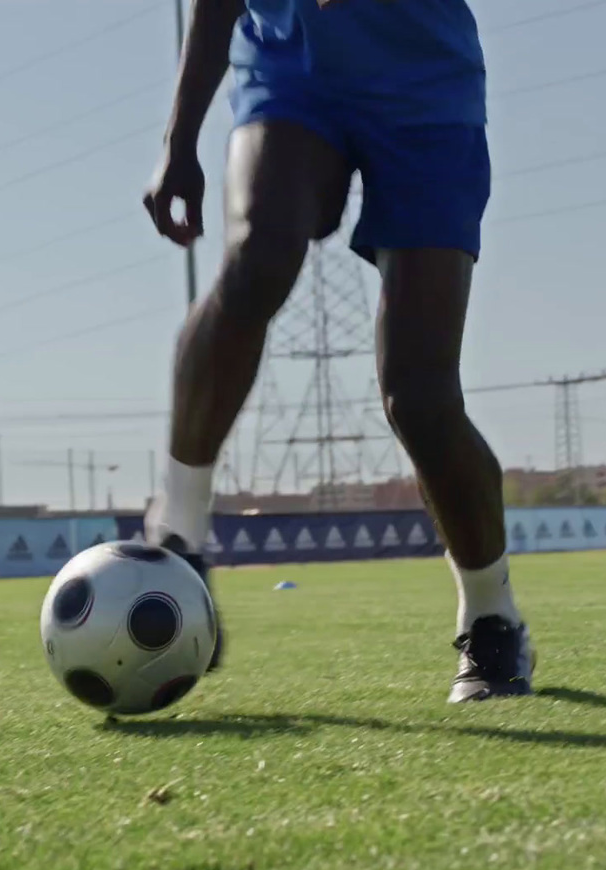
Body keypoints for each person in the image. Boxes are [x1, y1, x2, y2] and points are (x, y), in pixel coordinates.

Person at [141, 0, 533, 701]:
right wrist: (180, 139)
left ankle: (491, 612)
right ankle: (178, 532)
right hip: (291, 69)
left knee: (418, 396)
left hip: (426, 87)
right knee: (260, 257)